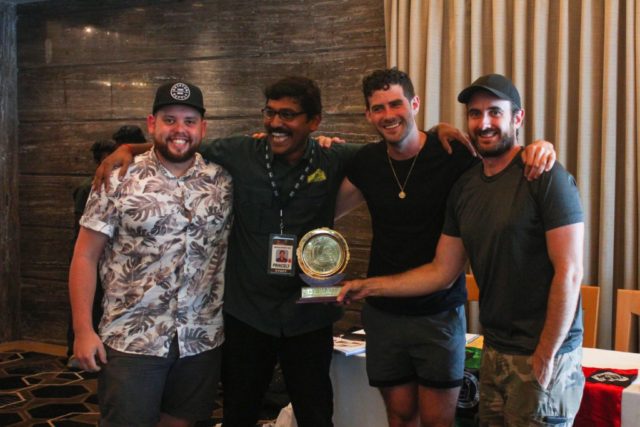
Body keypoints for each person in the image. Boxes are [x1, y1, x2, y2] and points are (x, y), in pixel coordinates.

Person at [95, 76, 361, 427]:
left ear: (314, 122)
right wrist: (129, 149)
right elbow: (182, 141)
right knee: (239, 412)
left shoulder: (334, 157)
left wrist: (438, 134)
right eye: (270, 112)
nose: (275, 122)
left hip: (308, 312)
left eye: (288, 114)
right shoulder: (240, 152)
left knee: (315, 413)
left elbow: (391, 153)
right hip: (248, 314)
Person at [338, 73, 585, 426]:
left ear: (517, 117)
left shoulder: (544, 176)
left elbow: (570, 272)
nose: (484, 123)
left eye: (495, 112)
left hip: (540, 352)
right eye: (475, 114)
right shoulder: (467, 185)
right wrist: (367, 286)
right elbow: (442, 269)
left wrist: (547, 353)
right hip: (494, 348)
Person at [69, 81, 233, 427]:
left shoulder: (223, 181)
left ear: (203, 128)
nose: (179, 130)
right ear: (151, 124)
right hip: (132, 339)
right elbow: (85, 256)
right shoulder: (118, 178)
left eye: (189, 121)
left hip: (200, 338)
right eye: (169, 120)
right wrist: (83, 330)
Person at [66, 138, 117, 365]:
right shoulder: (92, 185)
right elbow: (81, 227)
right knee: (87, 303)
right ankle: (75, 349)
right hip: (91, 249)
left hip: (103, 254)